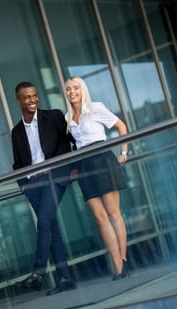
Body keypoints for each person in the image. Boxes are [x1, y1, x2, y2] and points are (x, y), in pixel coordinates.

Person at [11, 81, 76, 295]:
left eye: (34, 96)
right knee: (51, 228)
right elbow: (18, 163)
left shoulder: (54, 116)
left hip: (53, 177)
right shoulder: (17, 131)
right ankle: (65, 278)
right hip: (33, 184)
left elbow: (72, 141)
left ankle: (38, 272)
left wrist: (72, 168)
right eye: (27, 97)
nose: (32, 100)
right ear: (18, 101)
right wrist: (24, 186)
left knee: (45, 221)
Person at [65, 76, 129, 280]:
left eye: (75, 88)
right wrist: (75, 167)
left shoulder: (96, 108)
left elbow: (122, 127)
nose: (72, 92)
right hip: (84, 165)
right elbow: (74, 146)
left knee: (113, 213)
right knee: (99, 219)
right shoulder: (68, 117)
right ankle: (117, 265)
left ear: (82, 89)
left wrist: (124, 151)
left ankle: (123, 263)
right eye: (68, 89)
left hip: (102, 160)